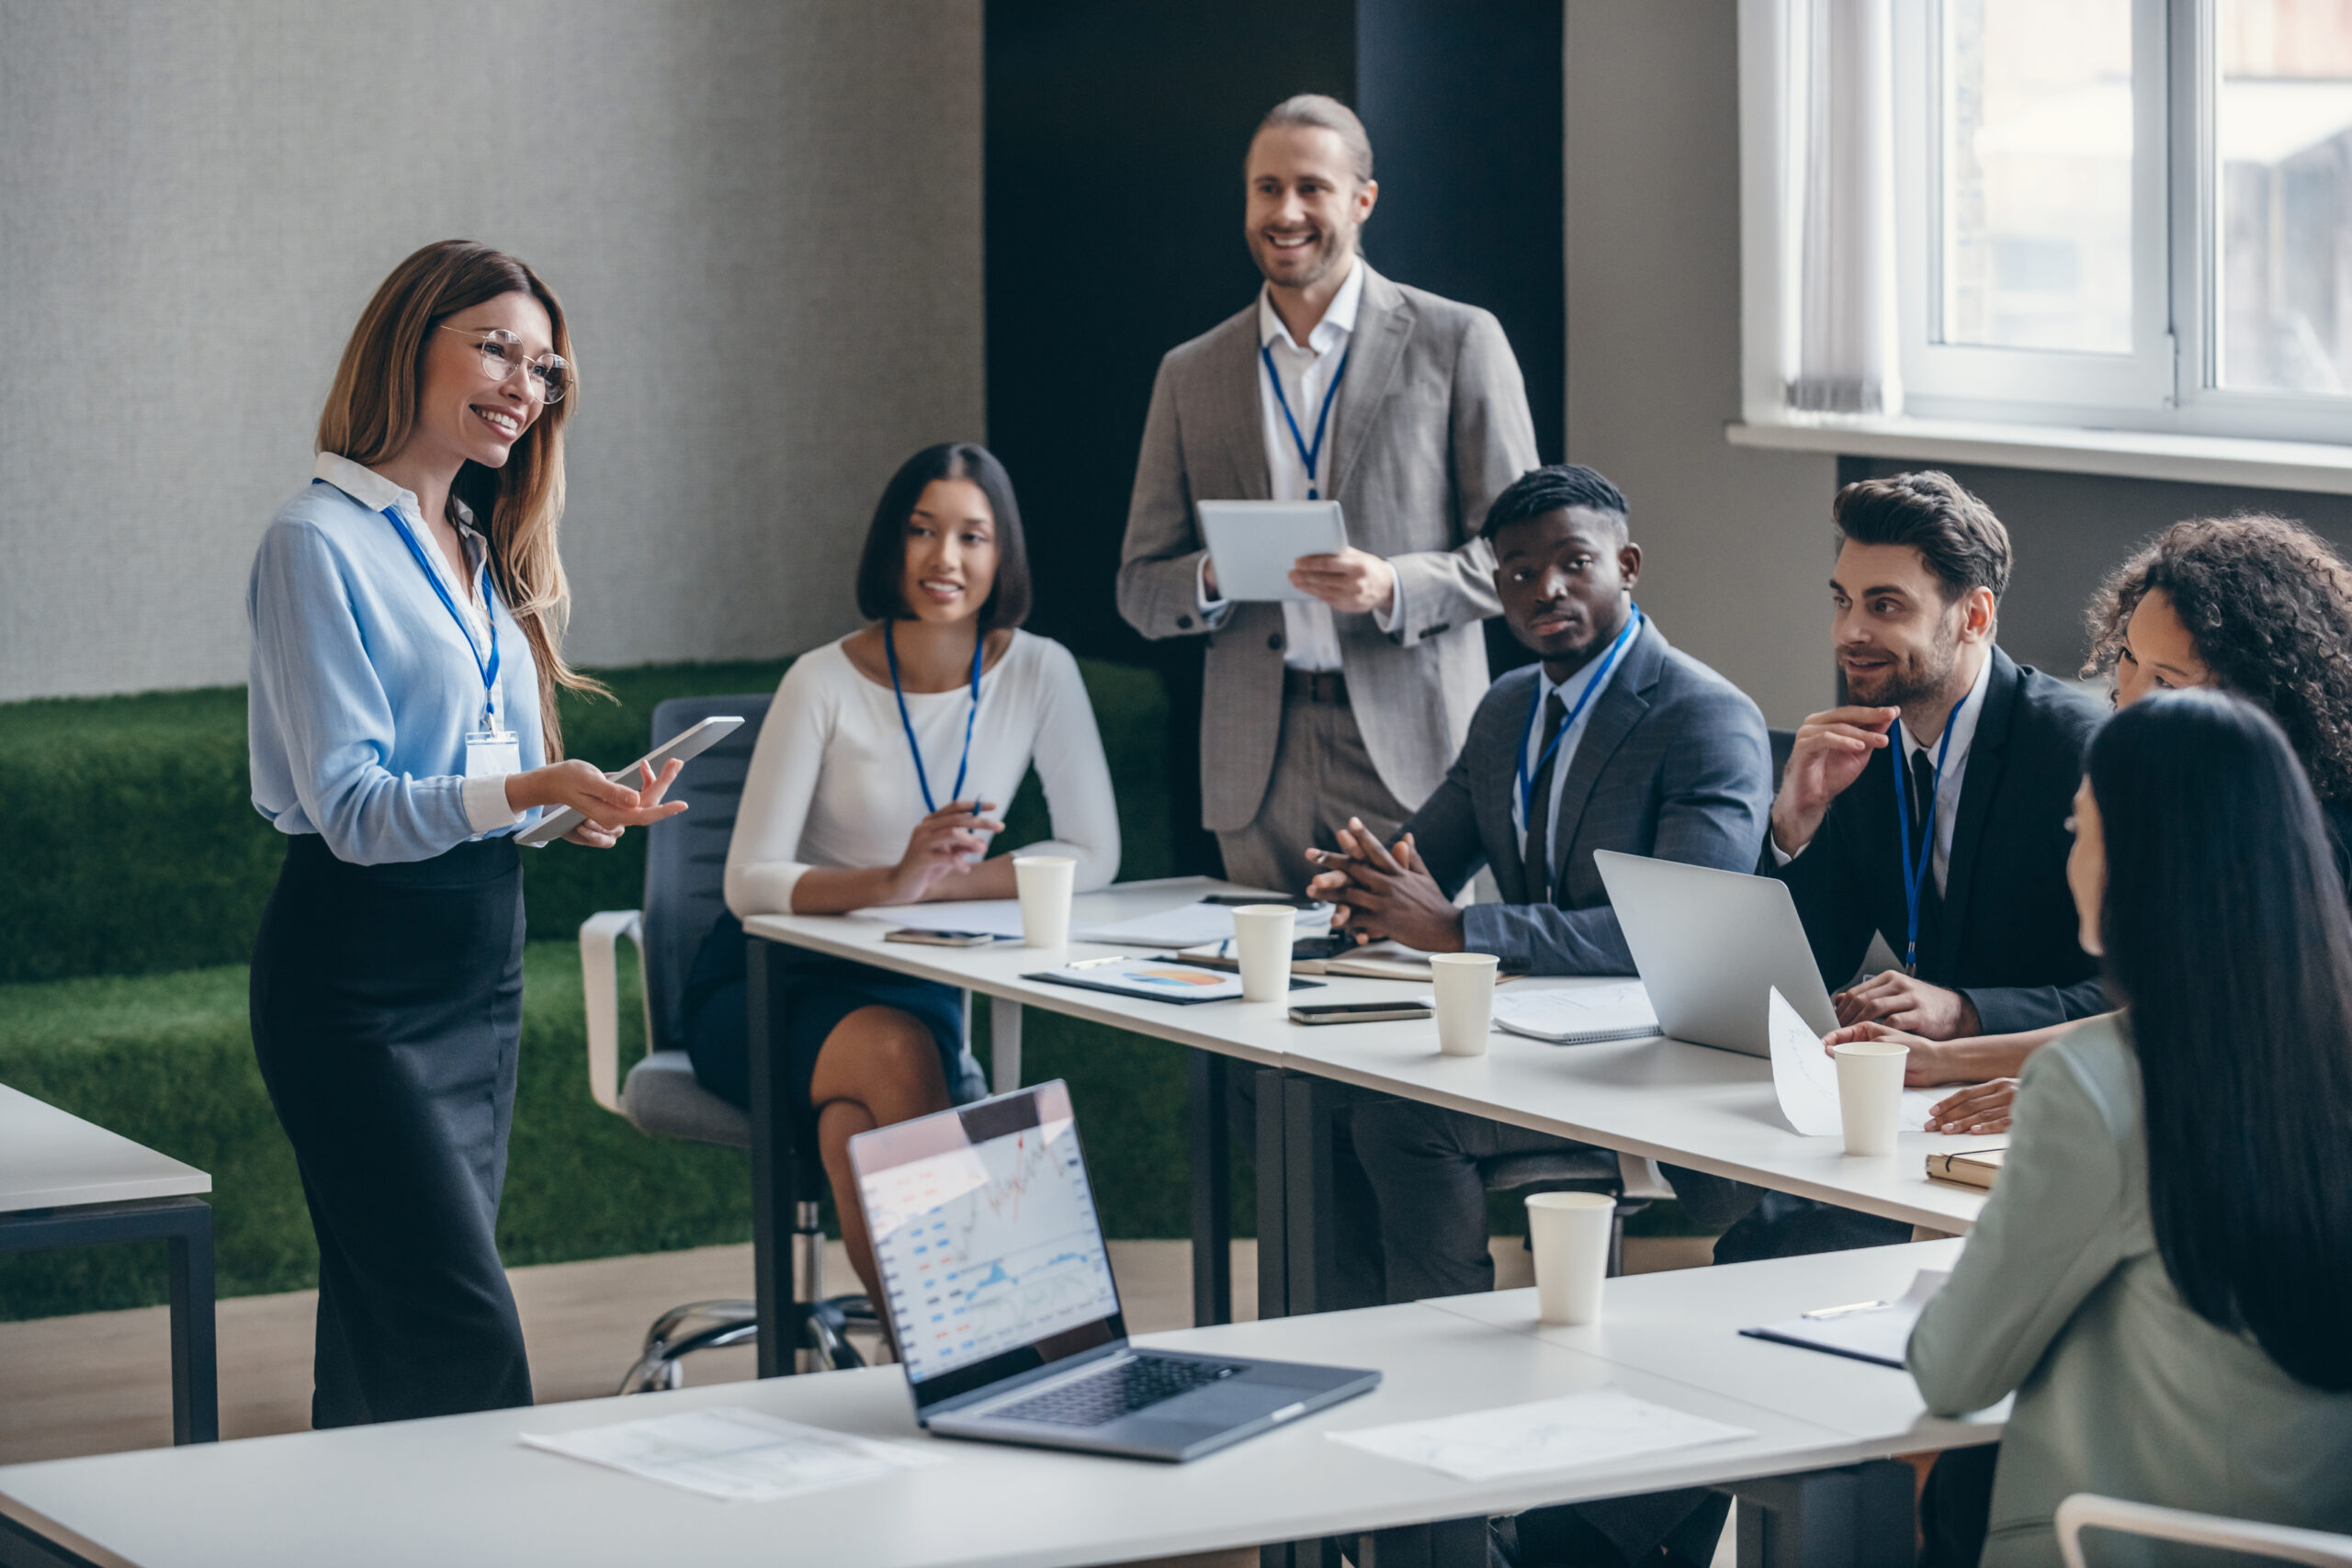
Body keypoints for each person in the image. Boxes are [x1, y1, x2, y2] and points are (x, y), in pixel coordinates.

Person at [248, 241, 686, 1427]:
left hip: (477, 970)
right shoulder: (317, 540)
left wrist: (566, 805)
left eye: (542, 367)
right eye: (495, 345)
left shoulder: (481, 546)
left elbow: (473, 781)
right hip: (358, 982)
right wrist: (530, 783)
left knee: (385, 1314)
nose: (522, 385)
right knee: (459, 1323)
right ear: (410, 341)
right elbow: (353, 807)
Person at [1907, 690, 2352, 1567]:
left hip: (2120, 1544)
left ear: (2134, 858)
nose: (2069, 853)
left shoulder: (2099, 1080)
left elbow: (1954, 1370)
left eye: (2080, 829)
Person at [1312, 463, 1772, 1299]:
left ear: (1626, 566)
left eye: (1574, 563)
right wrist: (1362, 882)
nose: (1545, 587)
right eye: (1520, 572)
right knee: (1293, 1094)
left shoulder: (1703, 714)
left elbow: (1674, 937)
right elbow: (1425, 858)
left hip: (1649, 1058)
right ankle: (1339, 1333)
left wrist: (1457, 930)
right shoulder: (1506, 708)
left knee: (1403, 1117)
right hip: (1531, 1037)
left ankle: (1443, 1344)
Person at [690, 442, 1119, 1312]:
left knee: (856, 1126)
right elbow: (747, 882)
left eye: (972, 536)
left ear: (1004, 557)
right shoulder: (822, 680)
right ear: (892, 543)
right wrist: (891, 880)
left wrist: (938, 885)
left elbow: (1092, 854)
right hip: (770, 982)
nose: (944, 559)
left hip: (918, 975)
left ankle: (938, 1355)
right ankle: (998, 1332)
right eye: (923, 531)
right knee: (892, 1056)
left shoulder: (1039, 671)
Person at [1117, 93, 1540, 895]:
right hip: (1254, 764)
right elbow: (1139, 586)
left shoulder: (1457, 340)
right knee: (1258, 1013)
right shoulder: (1190, 373)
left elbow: (1523, 559)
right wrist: (1211, 577)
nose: (1287, 211)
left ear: (1362, 200)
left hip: (1417, 756)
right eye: (1266, 188)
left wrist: (1394, 584)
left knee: (1414, 1004)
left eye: (1311, 187)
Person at [1832, 513, 2352, 1136]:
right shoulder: (2219, 812)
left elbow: (2268, 1051)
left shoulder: (2314, 842)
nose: (2127, 699)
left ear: (2258, 701)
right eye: (2128, 659)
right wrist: (1945, 1060)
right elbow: (2166, 1015)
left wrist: (2093, 1087)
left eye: (2166, 680)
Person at [1716, 471, 2108, 1260]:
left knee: (1795, 1252)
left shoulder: (2080, 750)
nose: (1849, 632)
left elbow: (2145, 996)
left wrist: (1965, 1009)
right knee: (1753, 1244)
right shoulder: (1865, 745)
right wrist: (1794, 823)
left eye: (1884, 605)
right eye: (1841, 601)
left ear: (1975, 614)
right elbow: (1796, 976)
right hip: (1900, 1100)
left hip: (2029, 1107)